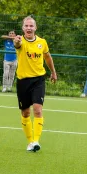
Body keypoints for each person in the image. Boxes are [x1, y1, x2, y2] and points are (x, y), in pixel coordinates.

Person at [14, 16, 57, 152]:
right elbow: (17, 44)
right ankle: (30, 141)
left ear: (35, 28)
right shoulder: (20, 41)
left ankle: (36, 141)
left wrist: (53, 72)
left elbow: (47, 57)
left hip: (38, 80)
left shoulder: (42, 42)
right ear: (23, 28)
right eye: (26, 26)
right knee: (26, 113)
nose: (29, 28)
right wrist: (16, 41)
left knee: (38, 110)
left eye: (31, 26)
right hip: (23, 81)